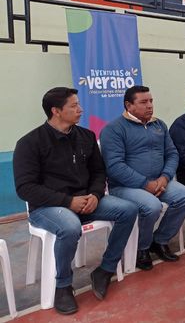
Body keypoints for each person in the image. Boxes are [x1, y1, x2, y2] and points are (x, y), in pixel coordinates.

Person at [13, 87, 137, 315]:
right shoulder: (29, 143)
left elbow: (99, 172)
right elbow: (25, 188)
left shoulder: (86, 136)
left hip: (86, 201)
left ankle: (105, 269)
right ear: (56, 111)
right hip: (47, 207)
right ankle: (63, 286)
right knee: (70, 227)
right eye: (74, 105)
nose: (81, 109)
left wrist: (96, 195)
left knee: (128, 210)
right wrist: (68, 201)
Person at [100, 85, 185, 271]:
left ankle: (159, 240)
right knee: (152, 206)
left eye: (151, 101)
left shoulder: (159, 125)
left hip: (159, 181)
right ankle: (141, 248)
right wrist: (145, 184)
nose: (150, 105)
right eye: (143, 102)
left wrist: (165, 178)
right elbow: (115, 166)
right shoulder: (114, 129)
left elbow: (172, 154)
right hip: (125, 186)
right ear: (129, 105)